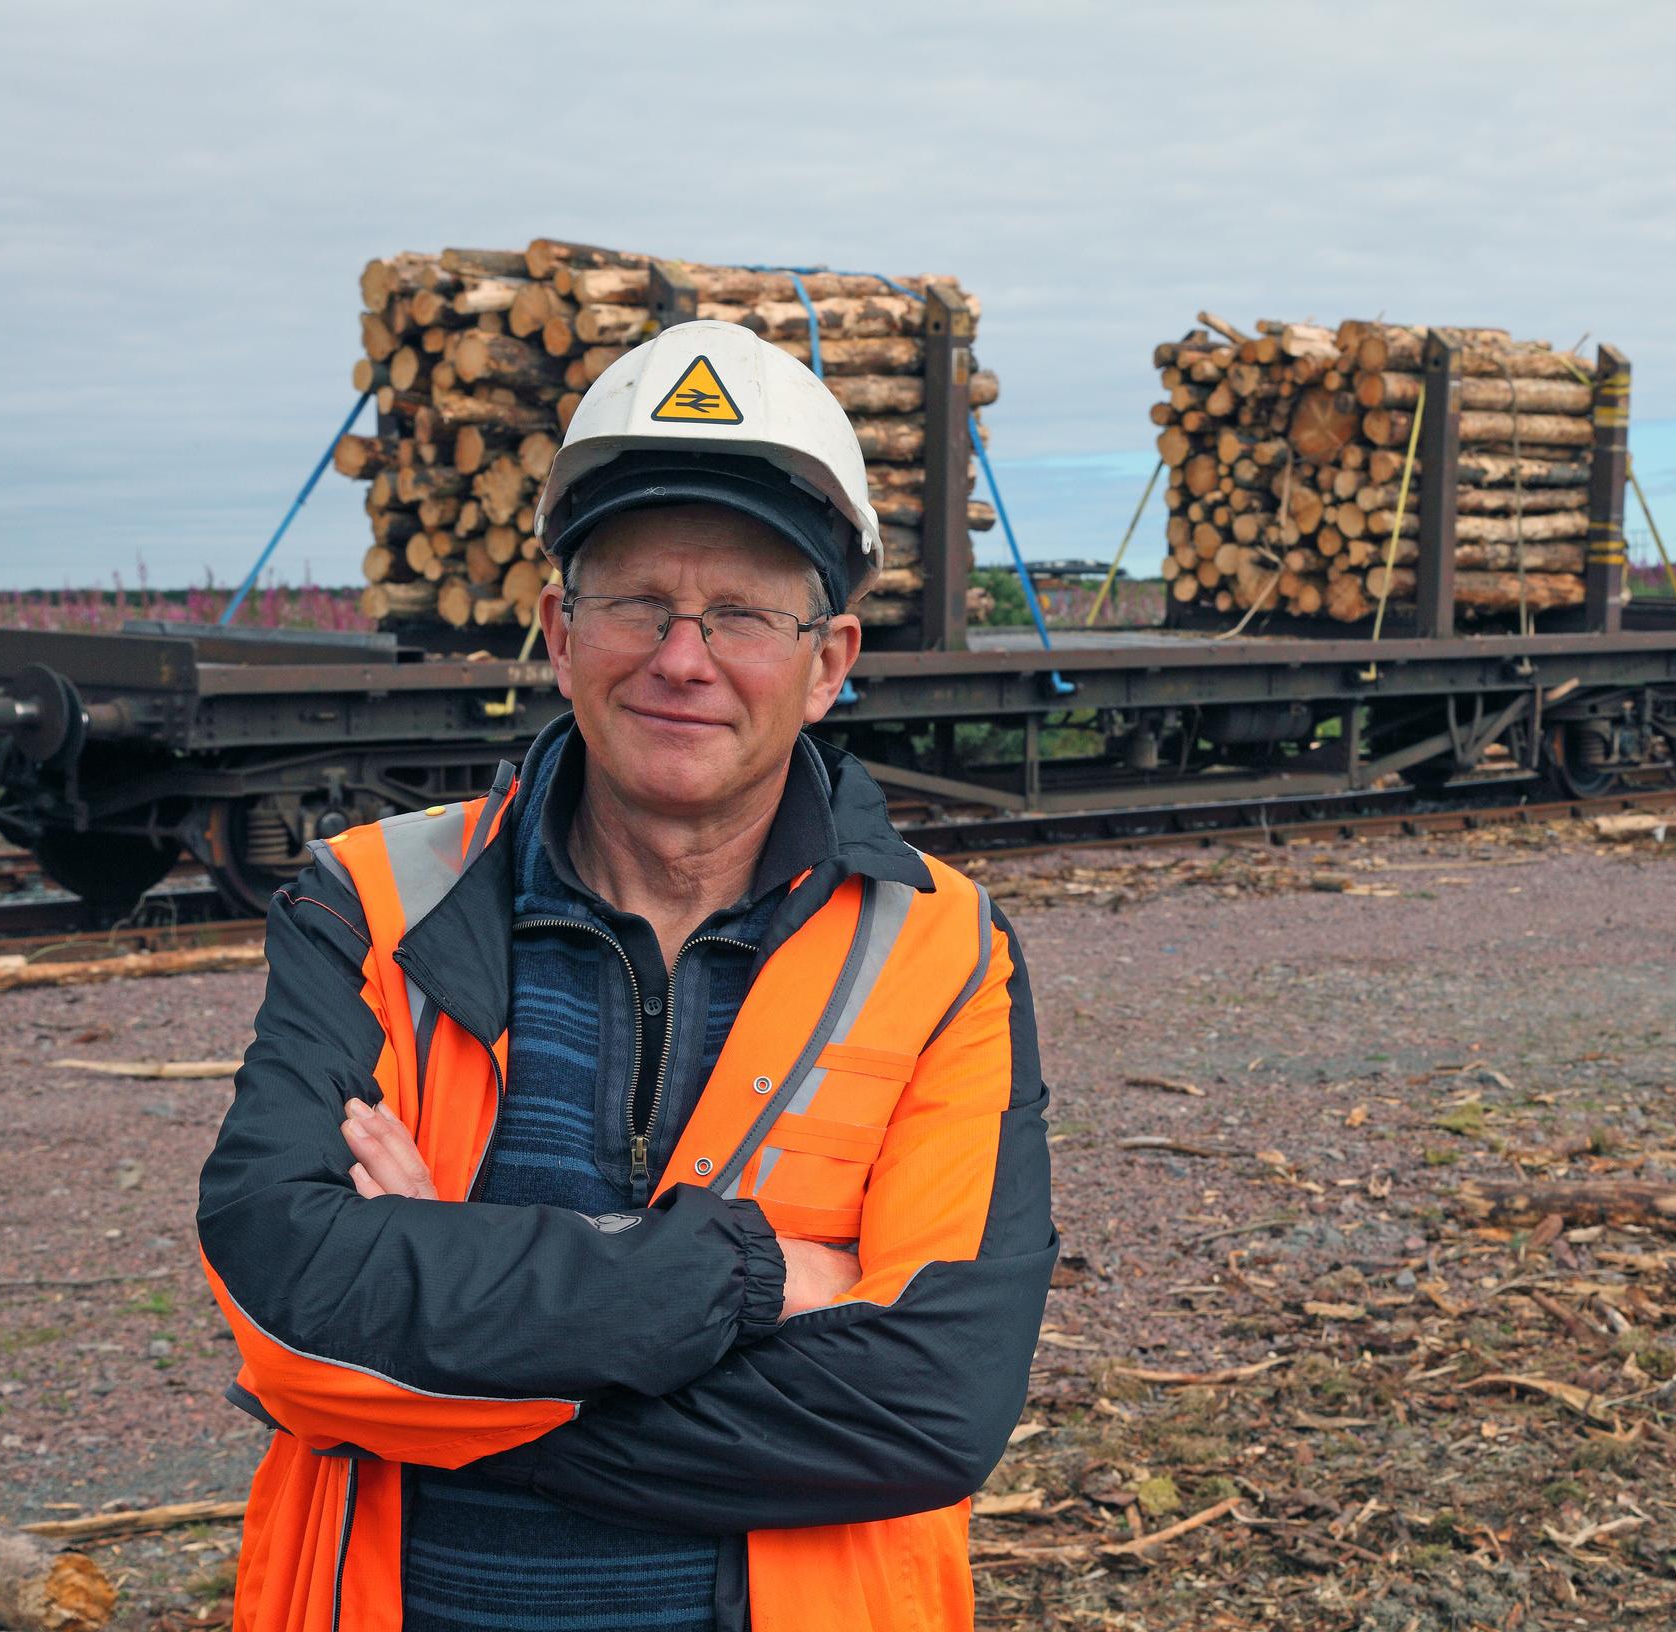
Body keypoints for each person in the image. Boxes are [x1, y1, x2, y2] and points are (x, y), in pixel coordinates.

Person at [197, 320, 1056, 1632]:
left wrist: (447, 1333)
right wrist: (749, 1282)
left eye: (742, 616)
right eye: (638, 604)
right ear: (558, 627)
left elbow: (927, 1407)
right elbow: (285, 1305)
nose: (682, 657)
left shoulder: (940, 955)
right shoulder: (371, 906)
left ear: (827, 663)